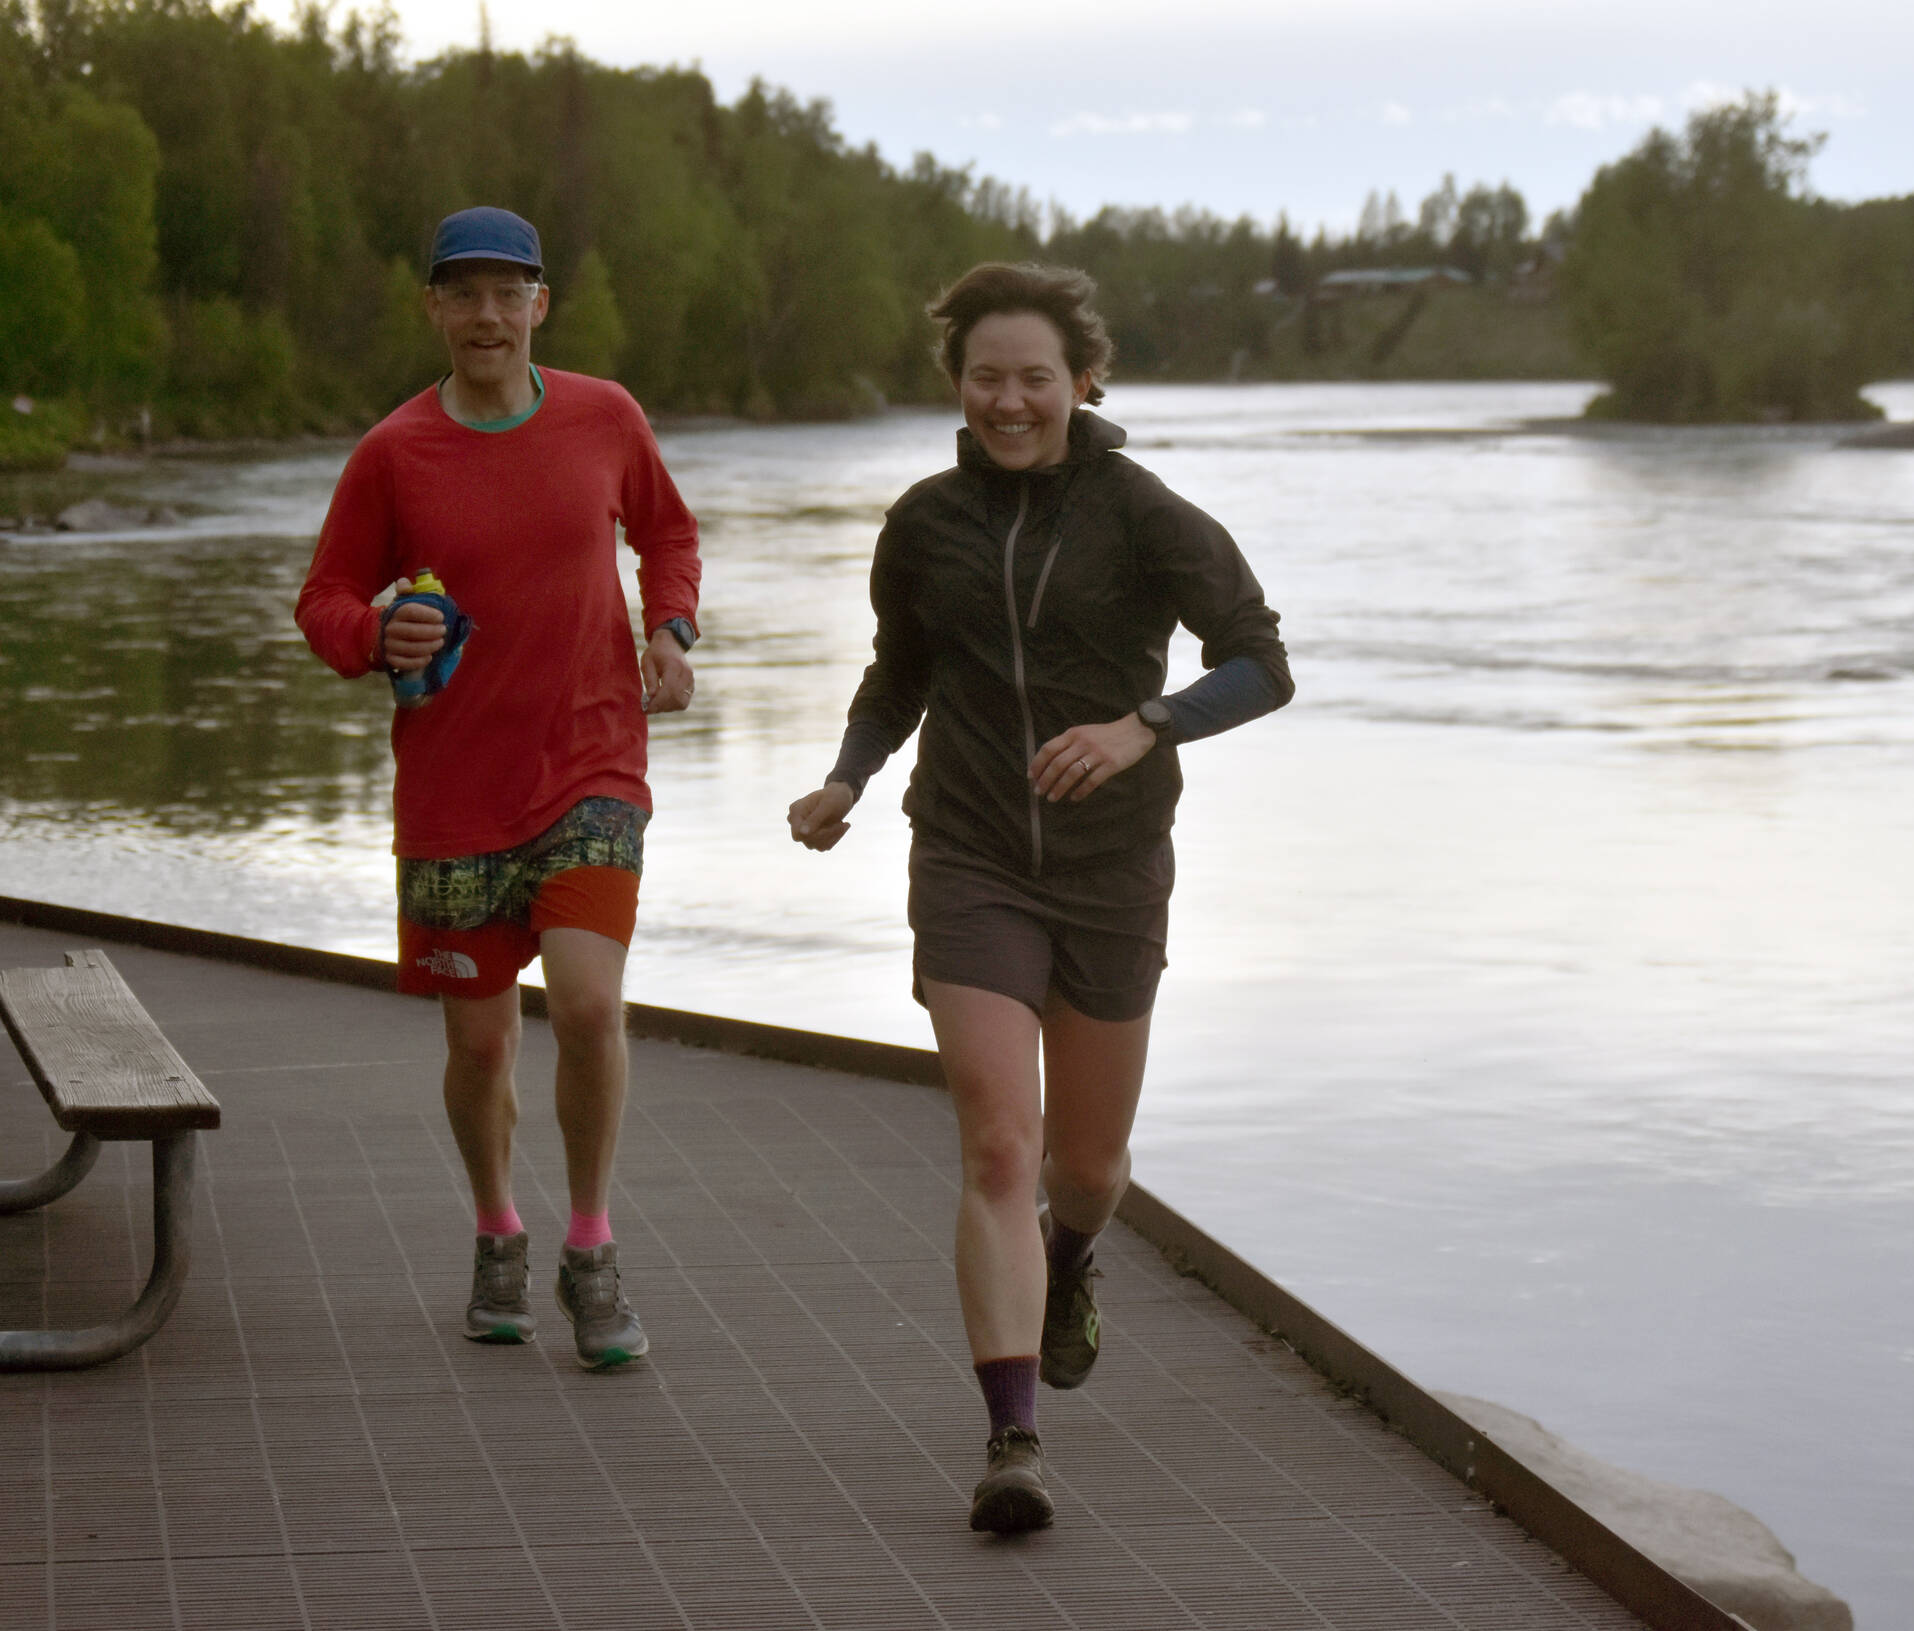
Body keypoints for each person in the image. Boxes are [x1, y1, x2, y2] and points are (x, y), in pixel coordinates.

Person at [786, 262, 1292, 1531]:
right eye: (985, 378)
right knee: (1000, 1141)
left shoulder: (1142, 513)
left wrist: (1143, 725)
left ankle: (1070, 1261)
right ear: (957, 385)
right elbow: (900, 670)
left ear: (1082, 382)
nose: (1008, 401)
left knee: (1085, 1162)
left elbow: (1262, 664)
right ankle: (1012, 1436)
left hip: (1112, 865)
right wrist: (848, 776)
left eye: (1033, 378)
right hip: (967, 853)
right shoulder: (922, 523)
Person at [295, 207, 702, 1370]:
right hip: (452, 788)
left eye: (505, 291)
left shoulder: (603, 415)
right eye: (461, 293)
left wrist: (670, 628)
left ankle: (590, 1245)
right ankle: (495, 1229)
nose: (485, 314)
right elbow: (323, 599)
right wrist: (375, 630)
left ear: (538, 304)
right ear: (432, 307)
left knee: (584, 1004)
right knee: (478, 1048)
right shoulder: (392, 452)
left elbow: (666, 534)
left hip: (591, 763)